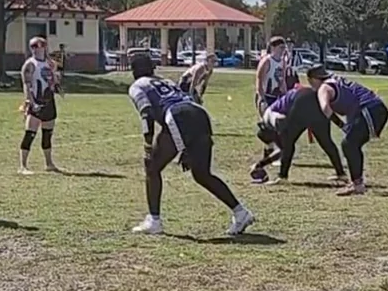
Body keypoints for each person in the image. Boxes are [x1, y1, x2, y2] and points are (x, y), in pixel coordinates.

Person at [127, 54, 256, 237]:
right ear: (153, 68)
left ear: (133, 71)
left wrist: (148, 146)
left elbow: (146, 113)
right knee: (202, 173)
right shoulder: (165, 81)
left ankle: (154, 220)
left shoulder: (137, 86)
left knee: (152, 167)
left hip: (178, 117)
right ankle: (240, 212)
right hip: (199, 114)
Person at [313, 66, 388, 196]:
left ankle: (357, 185)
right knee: (351, 144)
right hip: (375, 109)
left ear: (313, 79)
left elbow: (325, 108)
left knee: (349, 144)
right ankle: (357, 182)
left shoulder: (324, 87)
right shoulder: (337, 80)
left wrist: (341, 125)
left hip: (369, 109)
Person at [252, 78, 345, 183]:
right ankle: (341, 174)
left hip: (302, 104)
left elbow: (284, 147)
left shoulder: (269, 117)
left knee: (288, 143)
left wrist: (261, 164)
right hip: (313, 99)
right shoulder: (272, 117)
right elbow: (282, 150)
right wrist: (261, 164)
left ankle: (283, 176)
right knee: (326, 142)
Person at [251, 37, 298, 182]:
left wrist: (286, 96)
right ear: (273, 47)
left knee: (276, 128)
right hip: (266, 97)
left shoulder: (282, 62)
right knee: (267, 128)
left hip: (277, 98)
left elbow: (282, 80)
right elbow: (259, 81)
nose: (283, 50)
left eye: (284, 48)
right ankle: (270, 156)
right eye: (280, 47)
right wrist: (262, 99)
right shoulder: (266, 61)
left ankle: (270, 156)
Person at [18, 36, 60, 174]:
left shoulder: (49, 63)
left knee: (47, 134)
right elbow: (26, 85)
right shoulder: (30, 64)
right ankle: (23, 166)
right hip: (36, 102)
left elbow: (54, 81)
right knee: (30, 134)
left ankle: (49, 163)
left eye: (39, 45)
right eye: (33, 46)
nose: (36, 49)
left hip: (49, 102)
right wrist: (29, 101)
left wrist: (55, 78)